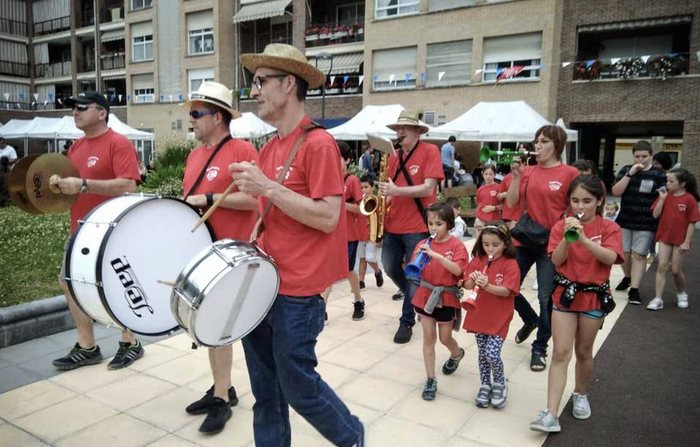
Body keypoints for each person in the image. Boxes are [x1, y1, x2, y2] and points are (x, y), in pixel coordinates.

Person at [230, 43, 364, 447]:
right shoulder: (270, 147)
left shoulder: (318, 144)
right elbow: (271, 208)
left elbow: (328, 216)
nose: (253, 91)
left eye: (260, 82)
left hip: (299, 291)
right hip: (265, 283)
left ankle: (352, 437)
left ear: (288, 84)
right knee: (265, 391)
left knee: (298, 386)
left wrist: (267, 187)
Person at [181, 81, 259, 434]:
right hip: (203, 256)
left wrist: (209, 198)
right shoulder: (194, 156)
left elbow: (256, 200)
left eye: (196, 113)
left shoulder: (242, 150)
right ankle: (222, 388)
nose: (191, 119)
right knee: (210, 327)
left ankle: (223, 398)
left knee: (220, 329)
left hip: (233, 254)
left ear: (218, 117)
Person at [49, 91, 143, 370]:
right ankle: (87, 346)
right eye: (73, 108)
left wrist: (84, 184)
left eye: (81, 107)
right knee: (68, 282)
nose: (74, 112)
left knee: (119, 283)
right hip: (79, 228)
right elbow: (73, 188)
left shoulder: (119, 143)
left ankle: (130, 342)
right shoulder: (75, 148)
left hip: (112, 230)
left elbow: (129, 185)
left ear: (102, 113)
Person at [530, 175, 623, 433]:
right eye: (575, 201)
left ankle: (581, 393)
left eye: (587, 201)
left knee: (584, 351)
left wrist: (583, 239)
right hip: (566, 294)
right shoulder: (561, 226)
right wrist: (567, 237)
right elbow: (557, 261)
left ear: (599, 201)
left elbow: (611, 257)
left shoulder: (609, 228)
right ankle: (550, 413)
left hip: (594, 295)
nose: (580, 207)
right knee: (560, 352)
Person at [506, 125, 580, 372]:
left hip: (553, 242)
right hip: (526, 239)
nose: (538, 145)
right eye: (536, 141)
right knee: (507, 286)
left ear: (557, 145)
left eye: (544, 141)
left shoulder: (570, 173)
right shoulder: (527, 171)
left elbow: (578, 207)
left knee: (546, 297)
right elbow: (512, 201)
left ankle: (540, 347)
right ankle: (530, 320)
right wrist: (516, 177)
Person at [379, 110, 444, 344]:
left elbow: (428, 188)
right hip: (394, 223)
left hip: (418, 223)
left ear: (418, 132)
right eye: (397, 129)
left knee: (413, 274)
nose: (400, 132)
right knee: (388, 266)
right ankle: (414, 294)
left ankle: (406, 322)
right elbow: (390, 191)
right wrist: (377, 207)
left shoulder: (430, 151)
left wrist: (396, 191)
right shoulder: (393, 157)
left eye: (405, 128)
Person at [410, 203, 468, 401]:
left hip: (447, 297)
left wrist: (436, 256)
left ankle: (456, 353)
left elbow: (458, 271)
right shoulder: (422, 244)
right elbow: (413, 268)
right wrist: (418, 259)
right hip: (425, 295)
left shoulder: (457, 246)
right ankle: (430, 379)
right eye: (430, 223)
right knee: (428, 338)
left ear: (450, 224)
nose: (433, 228)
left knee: (445, 338)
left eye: (439, 223)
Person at [463, 221, 520, 409]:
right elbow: (467, 285)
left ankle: (500, 383)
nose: (490, 248)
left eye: (495, 245)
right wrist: (472, 280)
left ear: (505, 243)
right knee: (482, 354)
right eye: (486, 244)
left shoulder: (510, 264)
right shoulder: (478, 260)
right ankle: (485, 384)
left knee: (492, 353)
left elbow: (507, 291)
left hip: (499, 317)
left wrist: (487, 285)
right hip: (479, 314)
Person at [611, 140, 666, 305]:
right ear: (633, 156)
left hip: (646, 222)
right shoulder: (627, 170)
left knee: (640, 255)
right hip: (625, 219)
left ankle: (634, 289)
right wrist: (630, 174)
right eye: (637, 156)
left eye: (644, 156)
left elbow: (663, 197)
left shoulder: (658, 174)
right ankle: (628, 277)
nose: (640, 160)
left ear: (650, 156)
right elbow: (616, 191)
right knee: (624, 254)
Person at [647, 168, 700, 310]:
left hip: (681, 239)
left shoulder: (690, 199)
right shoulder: (665, 195)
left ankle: (682, 293)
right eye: (667, 180)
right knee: (662, 266)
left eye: (671, 181)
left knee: (676, 270)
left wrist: (687, 241)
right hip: (665, 236)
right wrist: (662, 199)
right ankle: (658, 299)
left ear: (682, 184)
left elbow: (692, 222)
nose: (667, 184)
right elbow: (655, 215)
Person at [335, 141, 366, 321]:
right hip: (331, 232)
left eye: (337, 158)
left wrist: (341, 204)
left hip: (349, 235)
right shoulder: (328, 178)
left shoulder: (352, 180)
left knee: (346, 270)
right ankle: (322, 308)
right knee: (330, 270)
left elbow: (361, 208)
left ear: (347, 160)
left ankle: (358, 300)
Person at [357, 175, 384, 290]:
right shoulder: (359, 200)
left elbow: (380, 220)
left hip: (372, 235)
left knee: (369, 258)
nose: (363, 190)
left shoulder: (377, 201)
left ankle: (378, 272)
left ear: (373, 187)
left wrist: (380, 237)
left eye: (366, 187)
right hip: (360, 233)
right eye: (361, 188)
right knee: (362, 258)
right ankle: (361, 281)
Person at [475, 164, 501, 237]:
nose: (488, 176)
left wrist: (493, 208)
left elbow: (504, 205)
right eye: (486, 174)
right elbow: (478, 203)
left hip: (494, 219)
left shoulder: (498, 187)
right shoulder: (480, 190)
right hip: (481, 218)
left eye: (490, 174)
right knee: (478, 229)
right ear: (482, 174)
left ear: (495, 174)